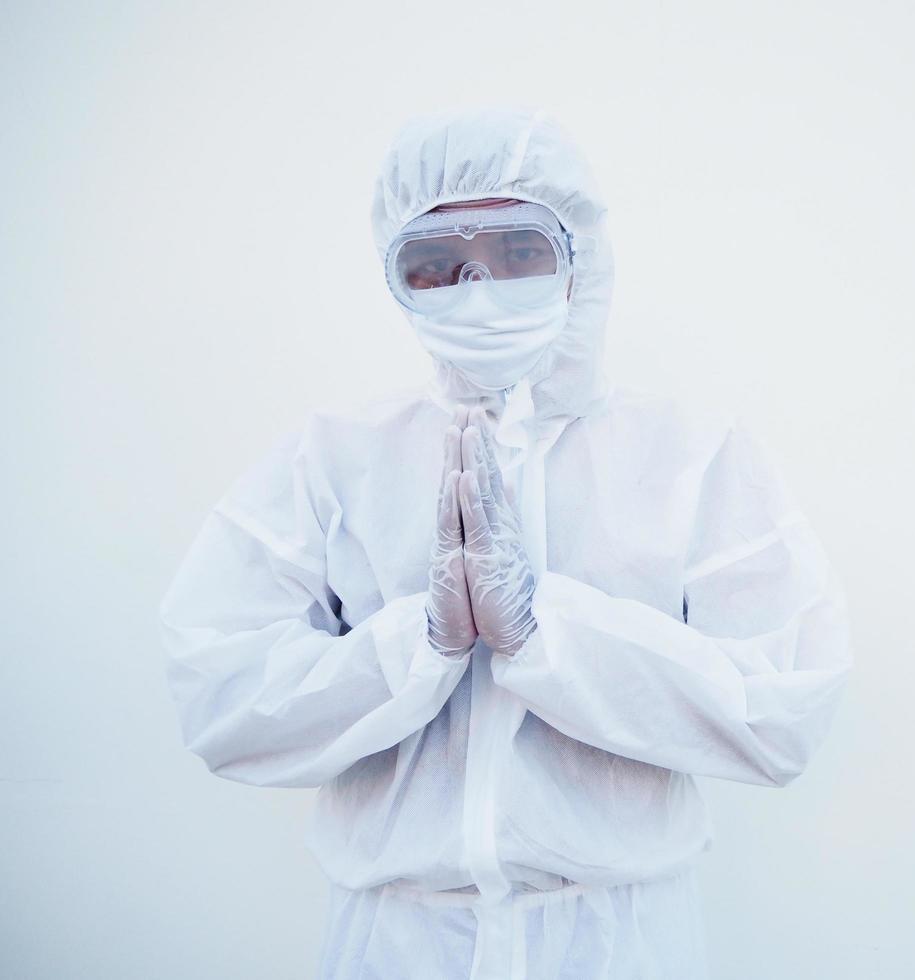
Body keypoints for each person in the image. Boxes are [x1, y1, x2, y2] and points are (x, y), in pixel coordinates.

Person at [158, 106, 853, 980]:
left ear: (580, 259)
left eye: (520, 251)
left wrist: (545, 631)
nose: (478, 290)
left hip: (617, 940)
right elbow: (220, 700)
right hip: (394, 940)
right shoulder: (335, 456)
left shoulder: (689, 455)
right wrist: (420, 642)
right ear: (396, 276)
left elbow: (780, 713)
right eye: (439, 265)